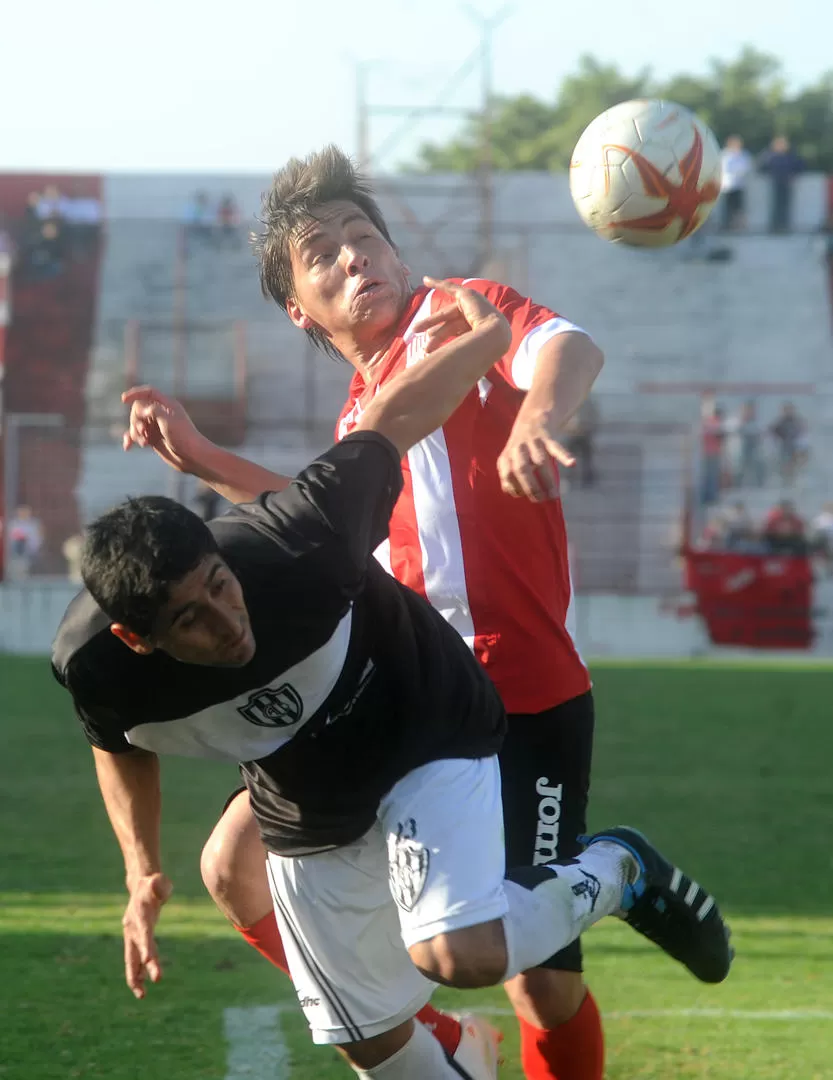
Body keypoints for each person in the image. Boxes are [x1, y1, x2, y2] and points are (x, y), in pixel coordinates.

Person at [53, 283, 733, 1080]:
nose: (226, 621)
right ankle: (439, 1040)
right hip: (306, 773)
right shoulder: (95, 667)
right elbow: (117, 747)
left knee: (489, 963)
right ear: (136, 639)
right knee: (362, 1035)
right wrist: (141, 873)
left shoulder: (294, 539)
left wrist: (492, 354)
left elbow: (397, 422)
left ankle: (615, 870)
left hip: (430, 709)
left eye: (220, 585)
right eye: (191, 621)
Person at [719, 136, 753, 232]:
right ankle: (726, 225)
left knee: (738, 207)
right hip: (727, 185)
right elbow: (724, 168)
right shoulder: (725, 154)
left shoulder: (743, 155)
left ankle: (738, 226)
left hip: (739, 185)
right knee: (727, 207)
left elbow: (746, 167)